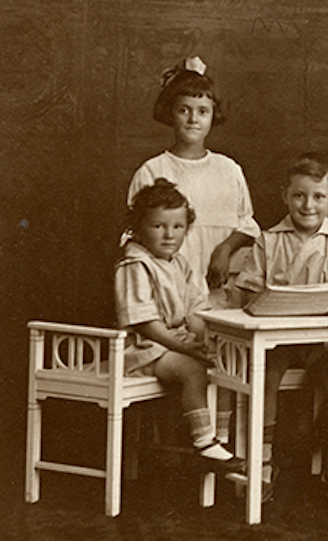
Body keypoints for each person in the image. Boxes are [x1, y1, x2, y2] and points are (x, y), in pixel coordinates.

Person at [128, 56, 261, 442]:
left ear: (213, 115)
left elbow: (247, 225)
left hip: (218, 292)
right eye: (184, 110)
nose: (193, 119)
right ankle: (193, 447)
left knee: (227, 364)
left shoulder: (229, 170)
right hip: (172, 300)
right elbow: (136, 238)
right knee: (192, 366)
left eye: (202, 111)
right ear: (169, 113)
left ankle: (224, 443)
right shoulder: (153, 170)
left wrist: (225, 250)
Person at [233, 153, 328, 505]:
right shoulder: (268, 240)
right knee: (265, 377)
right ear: (284, 196)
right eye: (299, 195)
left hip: (321, 342)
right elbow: (248, 292)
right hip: (276, 343)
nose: (308, 205)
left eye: (318, 196)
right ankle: (263, 463)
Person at [115, 178, 239, 469]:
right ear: (138, 228)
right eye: (158, 226)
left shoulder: (179, 263)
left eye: (178, 226)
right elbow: (145, 323)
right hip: (144, 348)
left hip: (173, 343)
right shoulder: (136, 265)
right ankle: (204, 442)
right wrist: (187, 349)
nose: (169, 235)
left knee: (223, 364)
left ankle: (220, 438)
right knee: (193, 369)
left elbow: (194, 311)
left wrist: (207, 341)